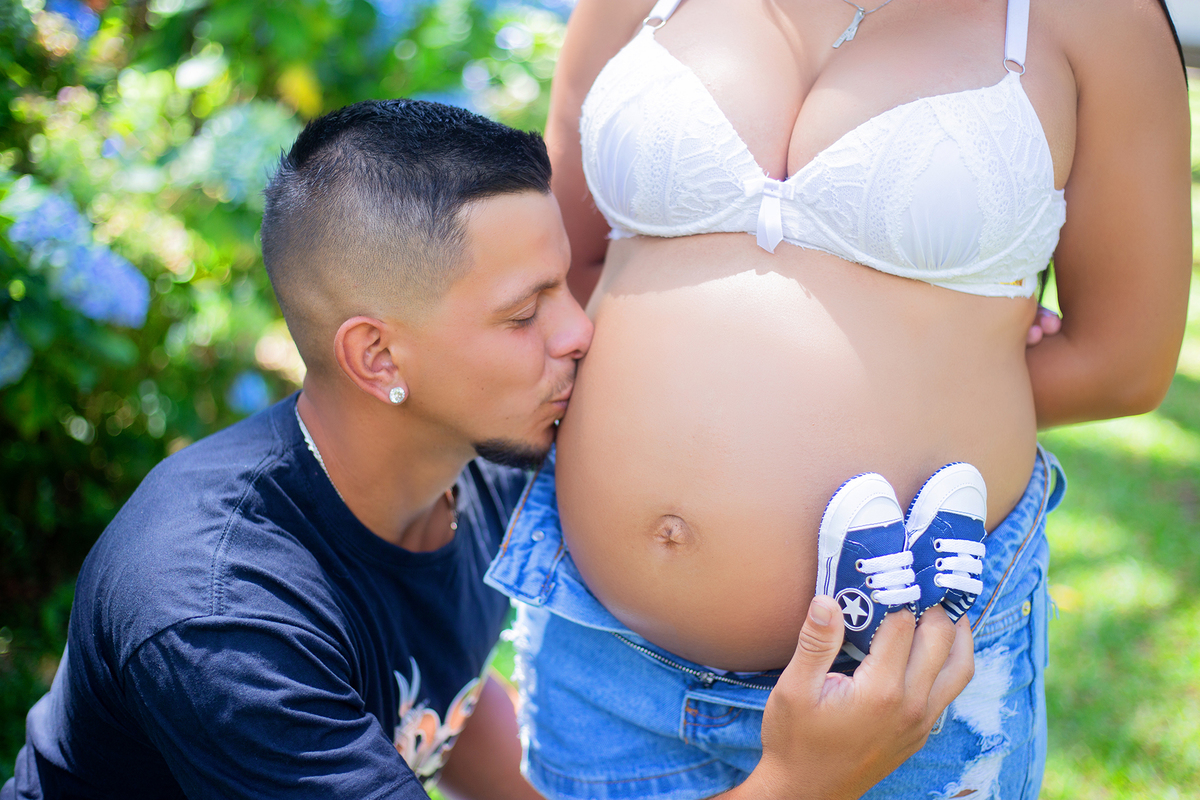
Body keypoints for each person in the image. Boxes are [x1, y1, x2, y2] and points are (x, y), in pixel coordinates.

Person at [3, 99, 975, 800]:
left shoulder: (463, 466)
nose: (578, 331)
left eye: (564, 284)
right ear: (377, 353)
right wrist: (802, 780)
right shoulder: (219, 615)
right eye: (523, 314)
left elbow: (444, 699)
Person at [484, 0, 1193, 798]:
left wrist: (931, 389)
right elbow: (565, 262)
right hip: (598, 649)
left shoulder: (1096, 20)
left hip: (907, 683)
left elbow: (1121, 362)